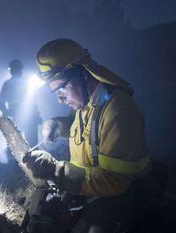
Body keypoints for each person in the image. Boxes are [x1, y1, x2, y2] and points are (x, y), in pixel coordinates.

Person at [23, 39, 152, 232]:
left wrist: (55, 170)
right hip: (89, 188)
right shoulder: (88, 102)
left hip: (120, 195)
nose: (60, 99)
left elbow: (113, 182)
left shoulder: (119, 111)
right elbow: (84, 124)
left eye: (62, 88)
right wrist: (57, 125)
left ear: (84, 74)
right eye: (55, 92)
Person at [0, 59, 41, 147]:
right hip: (27, 116)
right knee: (29, 143)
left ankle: (19, 159)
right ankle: (33, 158)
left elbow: (1, 102)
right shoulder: (26, 82)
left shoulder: (8, 84)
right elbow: (33, 99)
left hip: (20, 116)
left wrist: (6, 112)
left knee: (16, 144)